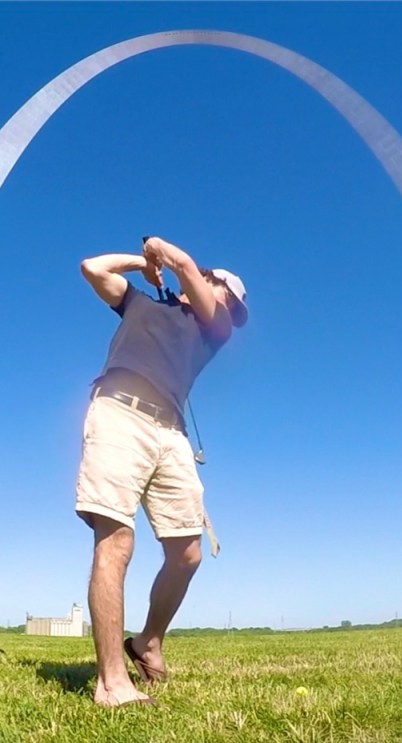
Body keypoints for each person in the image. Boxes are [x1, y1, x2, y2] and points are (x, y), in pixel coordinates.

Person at [75, 235, 248, 707]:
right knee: (116, 540)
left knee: (187, 553)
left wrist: (159, 248)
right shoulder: (141, 305)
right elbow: (93, 267)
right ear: (209, 283)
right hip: (118, 411)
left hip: (171, 433)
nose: (230, 310)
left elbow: (185, 264)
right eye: (227, 297)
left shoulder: (215, 328)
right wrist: (143, 264)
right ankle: (112, 682)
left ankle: (147, 641)